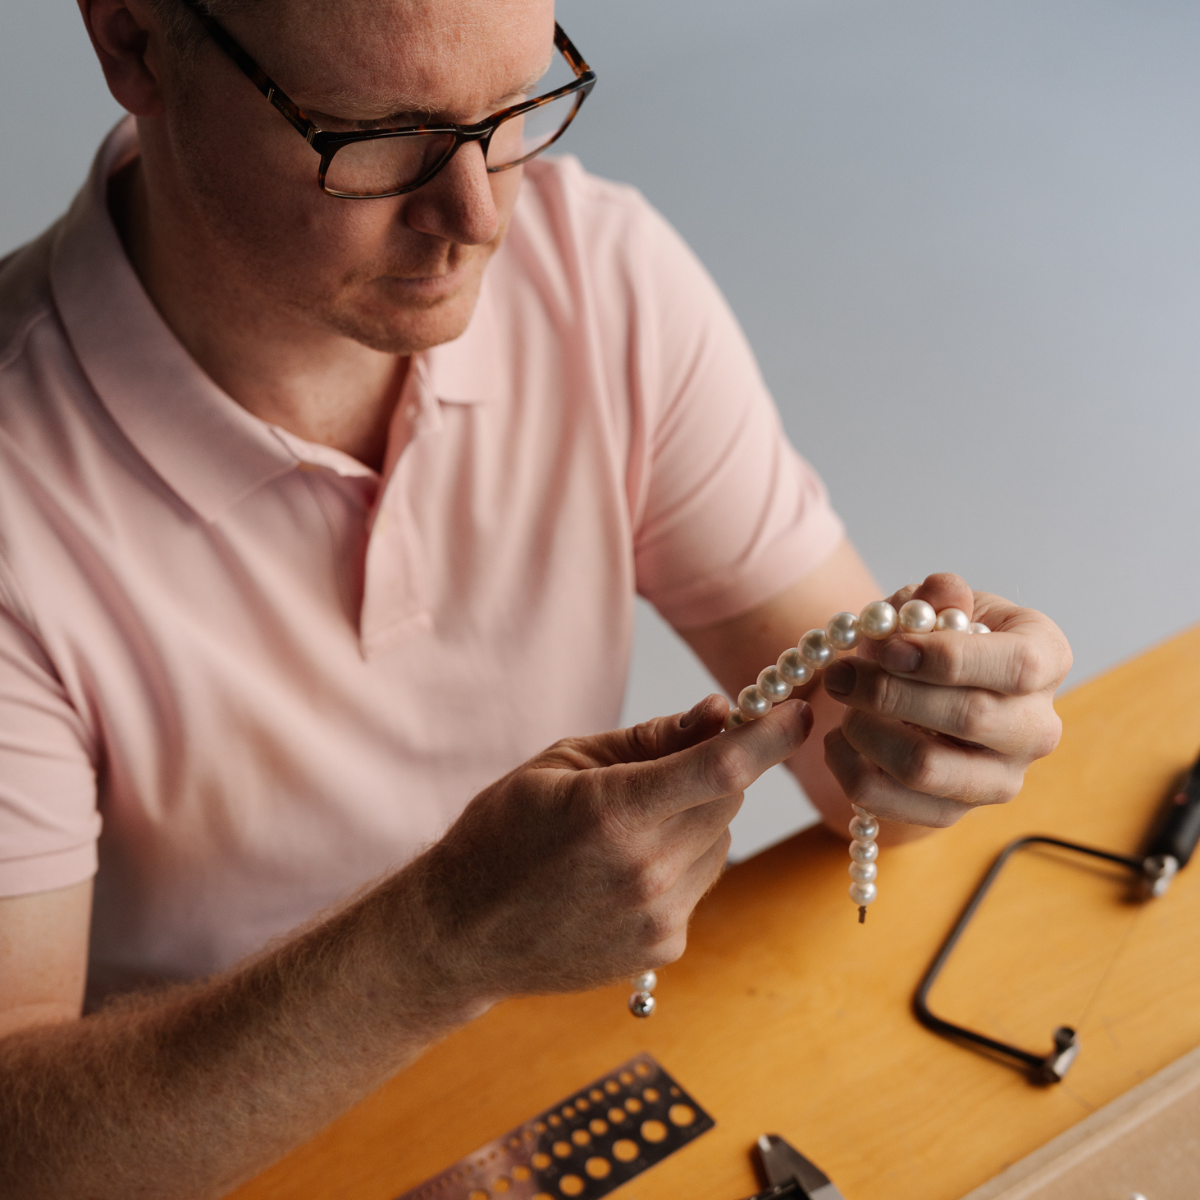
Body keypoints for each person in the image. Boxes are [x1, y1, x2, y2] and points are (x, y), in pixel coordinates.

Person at [0, 0, 1071, 1194]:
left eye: (512, 106)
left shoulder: (602, 278)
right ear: (134, 41)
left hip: (559, 1090)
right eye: (376, 134)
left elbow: (850, 775)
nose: (480, 216)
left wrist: (939, 733)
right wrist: (440, 943)